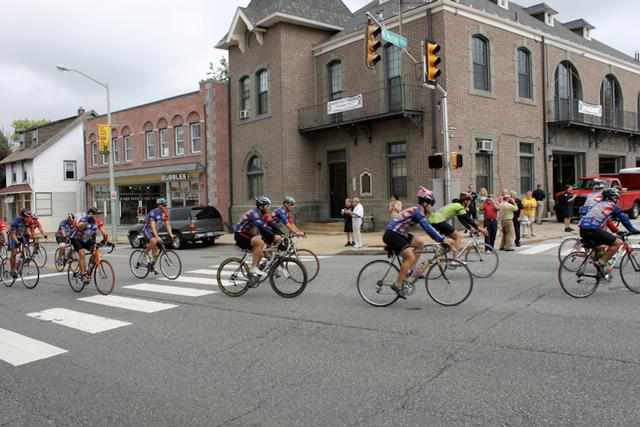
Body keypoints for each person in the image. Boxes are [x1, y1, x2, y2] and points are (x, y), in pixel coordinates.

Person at [383, 187, 454, 299]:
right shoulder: (418, 212)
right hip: (393, 234)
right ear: (425, 204)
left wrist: (441, 238)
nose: (432, 207)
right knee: (410, 257)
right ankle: (397, 284)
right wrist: (442, 239)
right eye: (431, 205)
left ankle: (410, 269)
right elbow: (427, 228)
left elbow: (429, 228)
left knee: (420, 243)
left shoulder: (418, 210)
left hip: (401, 233)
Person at [579, 188, 639, 277]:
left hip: (582, 230)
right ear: (612, 198)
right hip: (593, 229)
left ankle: (601, 272)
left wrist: (617, 231)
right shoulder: (612, 206)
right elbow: (625, 220)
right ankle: (600, 264)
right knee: (617, 243)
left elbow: (608, 221)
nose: (617, 200)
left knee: (600, 248)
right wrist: (633, 230)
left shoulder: (598, 205)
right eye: (616, 198)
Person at [233, 197, 282, 278]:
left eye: (269, 206)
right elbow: (262, 228)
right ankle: (253, 268)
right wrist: (274, 236)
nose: (269, 208)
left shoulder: (264, 215)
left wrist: (281, 233)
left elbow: (271, 224)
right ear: (261, 207)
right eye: (267, 206)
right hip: (240, 234)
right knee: (260, 243)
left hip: (249, 234)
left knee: (262, 252)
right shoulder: (254, 214)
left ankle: (252, 275)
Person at [70, 208, 112, 285]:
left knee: (96, 251)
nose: (97, 216)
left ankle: (89, 269)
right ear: (90, 214)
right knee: (82, 254)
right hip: (76, 238)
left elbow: (104, 232)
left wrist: (109, 241)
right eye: (95, 214)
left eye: (98, 214)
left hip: (86, 239)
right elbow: (79, 226)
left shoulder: (98, 221)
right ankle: (83, 276)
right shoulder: (85, 219)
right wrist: (87, 222)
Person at [142, 198, 175, 273]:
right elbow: (152, 226)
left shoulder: (165, 213)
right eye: (164, 205)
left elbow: (167, 224)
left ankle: (152, 266)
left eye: (166, 205)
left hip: (154, 231)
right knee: (154, 241)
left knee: (156, 252)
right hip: (147, 230)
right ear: (159, 205)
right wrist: (157, 237)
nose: (166, 207)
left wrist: (171, 234)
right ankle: (146, 253)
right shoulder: (153, 213)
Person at [8, 209, 32, 279]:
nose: (28, 218)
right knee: (14, 253)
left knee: (23, 251)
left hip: (20, 236)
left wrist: (32, 238)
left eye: (29, 217)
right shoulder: (16, 221)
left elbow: (28, 231)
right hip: (12, 236)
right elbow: (13, 234)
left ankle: (18, 265)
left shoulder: (26, 222)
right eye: (27, 217)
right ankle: (12, 270)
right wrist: (18, 243)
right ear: (22, 217)